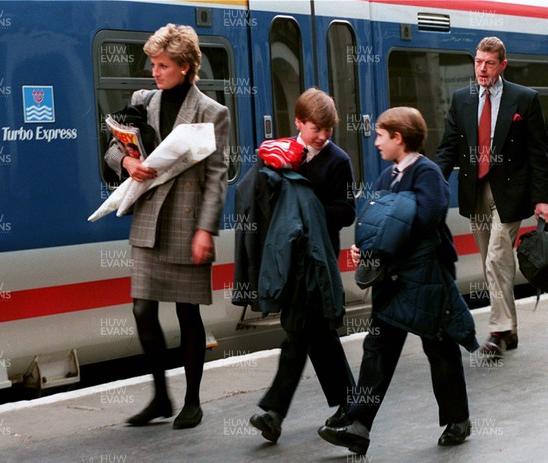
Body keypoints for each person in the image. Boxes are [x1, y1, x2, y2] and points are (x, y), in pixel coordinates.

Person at [318, 107, 478, 455]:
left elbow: (426, 217)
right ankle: (359, 426)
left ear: (398, 138)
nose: (375, 142)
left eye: (380, 135)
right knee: (377, 350)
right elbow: (377, 221)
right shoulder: (386, 177)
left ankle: (458, 420)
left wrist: (386, 231)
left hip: (426, 278)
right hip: (391, 280)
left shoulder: (427, 174)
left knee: (439, 348)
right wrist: (365, 249)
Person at [104, 23, 229, 429]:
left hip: (188, 222)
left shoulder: (213, 112)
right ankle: (160, 395)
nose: (154, 72)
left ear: (187, 66)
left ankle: (192, 401)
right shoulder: (142, 101)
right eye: (153, 64)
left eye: (163, 65)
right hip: (148, 220)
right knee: (142, 309)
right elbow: (110, 146)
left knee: (188, 313)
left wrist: (206, 230)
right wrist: (126, 162)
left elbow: (216, 176)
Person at [247, 88, 356, 443]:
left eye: (328, 130)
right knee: (316, 333)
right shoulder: (279, 155)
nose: (323, 137)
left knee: (299, 332)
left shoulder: (338, 161)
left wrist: (307, 211)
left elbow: (347, 211)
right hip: (288, 261)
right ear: (298, 123)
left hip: (317, 260)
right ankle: (349, 404)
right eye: (316, 130)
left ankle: (274, 412)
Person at [436, 36, 548, 358]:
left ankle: (497, 332)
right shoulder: (462, 99)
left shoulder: (524, 99)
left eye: (488, 63)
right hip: (476, 191)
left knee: (498, 255)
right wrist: (430, 183)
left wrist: (542, 198)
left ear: (502, 65)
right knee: (490, 261)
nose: (481, 69)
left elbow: (539, 153)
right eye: (477, 62)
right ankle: (510, 331)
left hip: (510, 191)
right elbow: (447, 148)